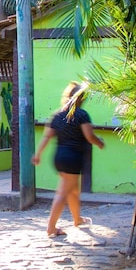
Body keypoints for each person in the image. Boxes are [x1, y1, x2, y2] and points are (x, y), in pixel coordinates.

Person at [31, 81, 105, 237]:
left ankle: (77, 219)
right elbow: (89, 136)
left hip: (59, 157)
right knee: (62, 193)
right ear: (81, 98)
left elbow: (47, 137)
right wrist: (100, 142)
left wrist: (38, 154)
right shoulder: (81, 115)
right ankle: (51, 227)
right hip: (72, 158)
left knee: (73, 190)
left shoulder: (57, 115)